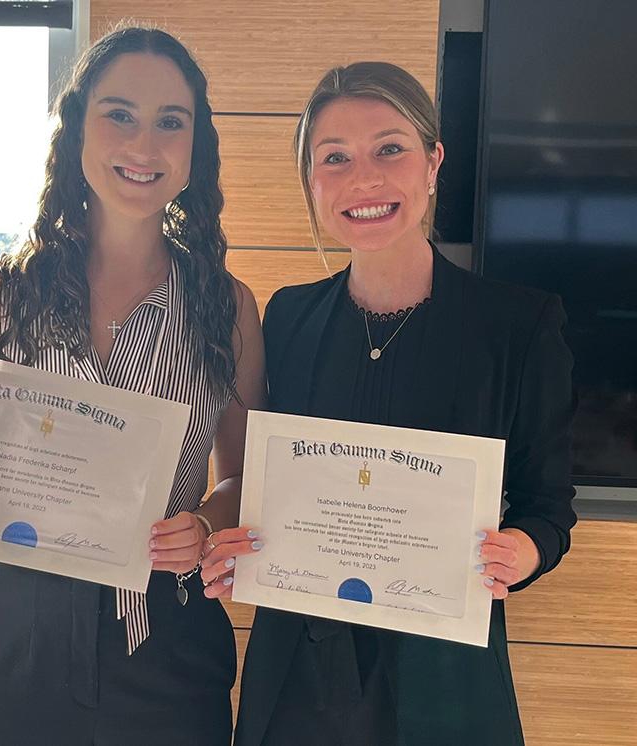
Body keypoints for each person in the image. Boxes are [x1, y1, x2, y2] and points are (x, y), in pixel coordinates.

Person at [0, 26, 264, 745]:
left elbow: (245, 478)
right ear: (75, 133)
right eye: (120, 114)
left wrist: (202, 527)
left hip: (167, 640)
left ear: (196, 148)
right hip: (14, 643)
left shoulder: (228, 307)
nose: (145, 142)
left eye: (173, 121)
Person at [228, 62, 577, 746]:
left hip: (445, 681)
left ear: (432, 162)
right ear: (312, 183)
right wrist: (238, 545)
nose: (364, 179)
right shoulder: (288, 319)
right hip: (299, 676)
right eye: (336, 158)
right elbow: (274, 491)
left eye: (389, 149)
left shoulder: (519, 325)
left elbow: (548, 506)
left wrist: (523, 552)